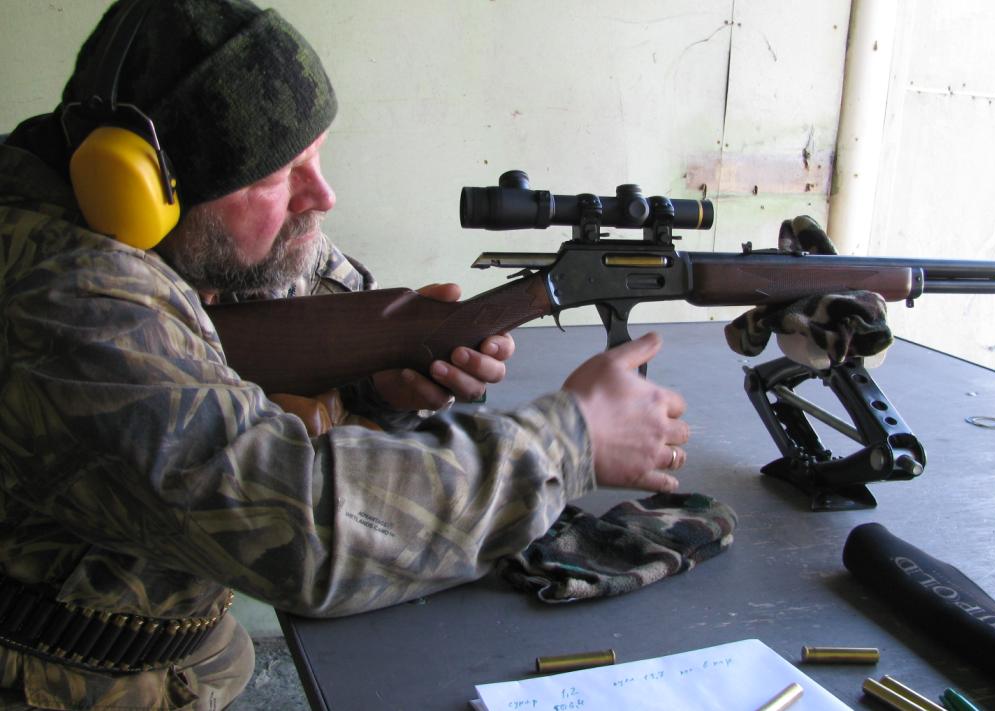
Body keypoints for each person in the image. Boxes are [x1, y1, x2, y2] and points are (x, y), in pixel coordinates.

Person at [0, 1, 690, 708]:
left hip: (184, 657)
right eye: (276, 174)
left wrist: (375, 392)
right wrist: (570, 440)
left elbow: (325, 310)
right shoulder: (68, 301)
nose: (322, 196)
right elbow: (302, 532)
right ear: (140, 187)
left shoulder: (185, 234)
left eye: (316, 154)